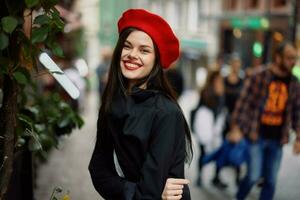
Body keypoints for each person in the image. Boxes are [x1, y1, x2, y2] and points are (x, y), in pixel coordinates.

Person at [88, 9, 193, 199]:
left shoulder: (166, 112)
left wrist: (141, 191)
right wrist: (134, 190)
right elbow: (98, 170)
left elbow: (150, 189)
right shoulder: (112, 101)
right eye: (127, 47)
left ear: (156, 60)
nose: (132, 55)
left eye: (144, 50)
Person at [230, 41, 300, 200]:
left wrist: (298, 137)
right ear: (278, 57)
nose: (293, 62)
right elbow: (243, 102)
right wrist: (236, 127)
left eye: (295, 58)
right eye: (289, 58)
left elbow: (297, 110)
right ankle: (239, 196)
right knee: (253, 176)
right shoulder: (259, 75)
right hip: (256, 136)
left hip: (278, 139)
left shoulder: (294, 82)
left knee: (271, 181)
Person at [192, 70, 226, 187]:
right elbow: (200, 108)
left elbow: (222, 108)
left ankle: (216, 176)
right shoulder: (206, 91)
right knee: (202, 152)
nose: (219, 81)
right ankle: (200, 176)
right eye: (217, 79)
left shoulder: (222, 91)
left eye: (220, 79)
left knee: (219, 152)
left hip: (217, 127)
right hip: (205, 127)